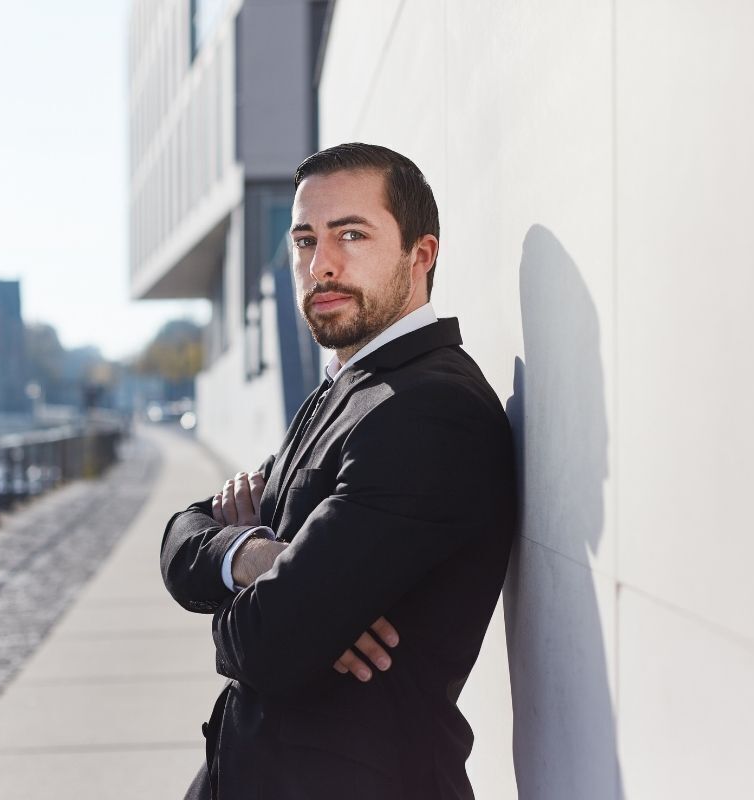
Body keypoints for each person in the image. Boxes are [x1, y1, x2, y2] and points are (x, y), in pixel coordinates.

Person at [161, 142, 516, 799]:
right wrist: (251, 556)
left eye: (351, 233)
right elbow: (180, 537)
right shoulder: (343, 391)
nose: (320, 264)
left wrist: (273, 603)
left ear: (421, 255)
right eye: (304, 240)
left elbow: (266, 642)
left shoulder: (427, 411)